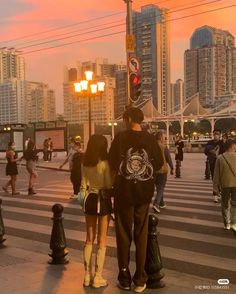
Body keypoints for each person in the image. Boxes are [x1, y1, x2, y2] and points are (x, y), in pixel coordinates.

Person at [108, 107, 163, 293]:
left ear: (129, 118)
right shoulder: (150, 139)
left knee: (123, 235)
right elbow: (159, 163)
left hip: (124, 192)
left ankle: (124, 278)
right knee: (141, 234)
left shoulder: (121, 138)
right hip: (144, 193)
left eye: (124, 118)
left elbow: (112, 163)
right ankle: (140, 279)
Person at [80, 134, 113, 288]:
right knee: (102, 239)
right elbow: (108, 184)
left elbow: (83, 186)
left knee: (89, 238)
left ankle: (87, 275)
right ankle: (98, 277)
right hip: (103, 201)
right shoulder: (105, 163)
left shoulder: (84, 163)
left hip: (90, 200)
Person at [213, 139, 236, 232]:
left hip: (225, 185)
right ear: (232, 146)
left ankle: (227, 223)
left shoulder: (220, 157)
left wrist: (215, 187)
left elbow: (216, 174)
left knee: (225, 204)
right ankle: (234, 223)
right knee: (234, 204)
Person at [153, 131, 174, 213]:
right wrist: (172, 168)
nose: (165, 139)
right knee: (161, 187)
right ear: (161, 138)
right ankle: (156, 204)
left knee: (159, 187)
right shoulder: (164, 147)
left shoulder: (152, 147)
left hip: (154, 170)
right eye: (164, 137)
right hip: (162, 170)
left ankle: (161, 203)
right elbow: (168, 158)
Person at [204, 129, 225, 202]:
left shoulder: (222, 143)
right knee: (214, 179)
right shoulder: (210, 142)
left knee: (222, 179)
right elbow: (205, 152)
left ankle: (221, 191)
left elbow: (225, 152)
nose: (216, 135)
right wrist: (211, 151)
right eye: (214, 133)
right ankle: (215, 195)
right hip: (213, 163)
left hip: (222, 163)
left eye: (217, 134)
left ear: (220, 135)